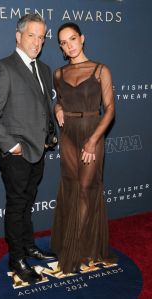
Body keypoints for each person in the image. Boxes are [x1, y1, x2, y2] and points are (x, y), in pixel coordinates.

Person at [0, 13, 57, 284]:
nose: (37, 42)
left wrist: (51, 133)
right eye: (31, 35)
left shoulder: (45, 69)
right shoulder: (4, 67)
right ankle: (17, 259)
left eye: (41, 37)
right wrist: (12, 145)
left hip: (38, 150)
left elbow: (43, 107)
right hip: (16, 154)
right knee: (16, 206)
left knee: (27, 203)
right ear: (18, 36)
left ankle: (28, 246)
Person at [51, 22, 117, 274]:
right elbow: (59, 101)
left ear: (82, 38)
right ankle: (70, 240)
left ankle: (77, 247)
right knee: (71, 187)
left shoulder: (101, 70)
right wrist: (57, 109)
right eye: (63, 43)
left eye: (72, 39)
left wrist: (93, 140)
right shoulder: (58, 74)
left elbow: (110, 109)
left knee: (86, 189)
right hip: (68, 135)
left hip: (92, 133)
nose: (69, 46)